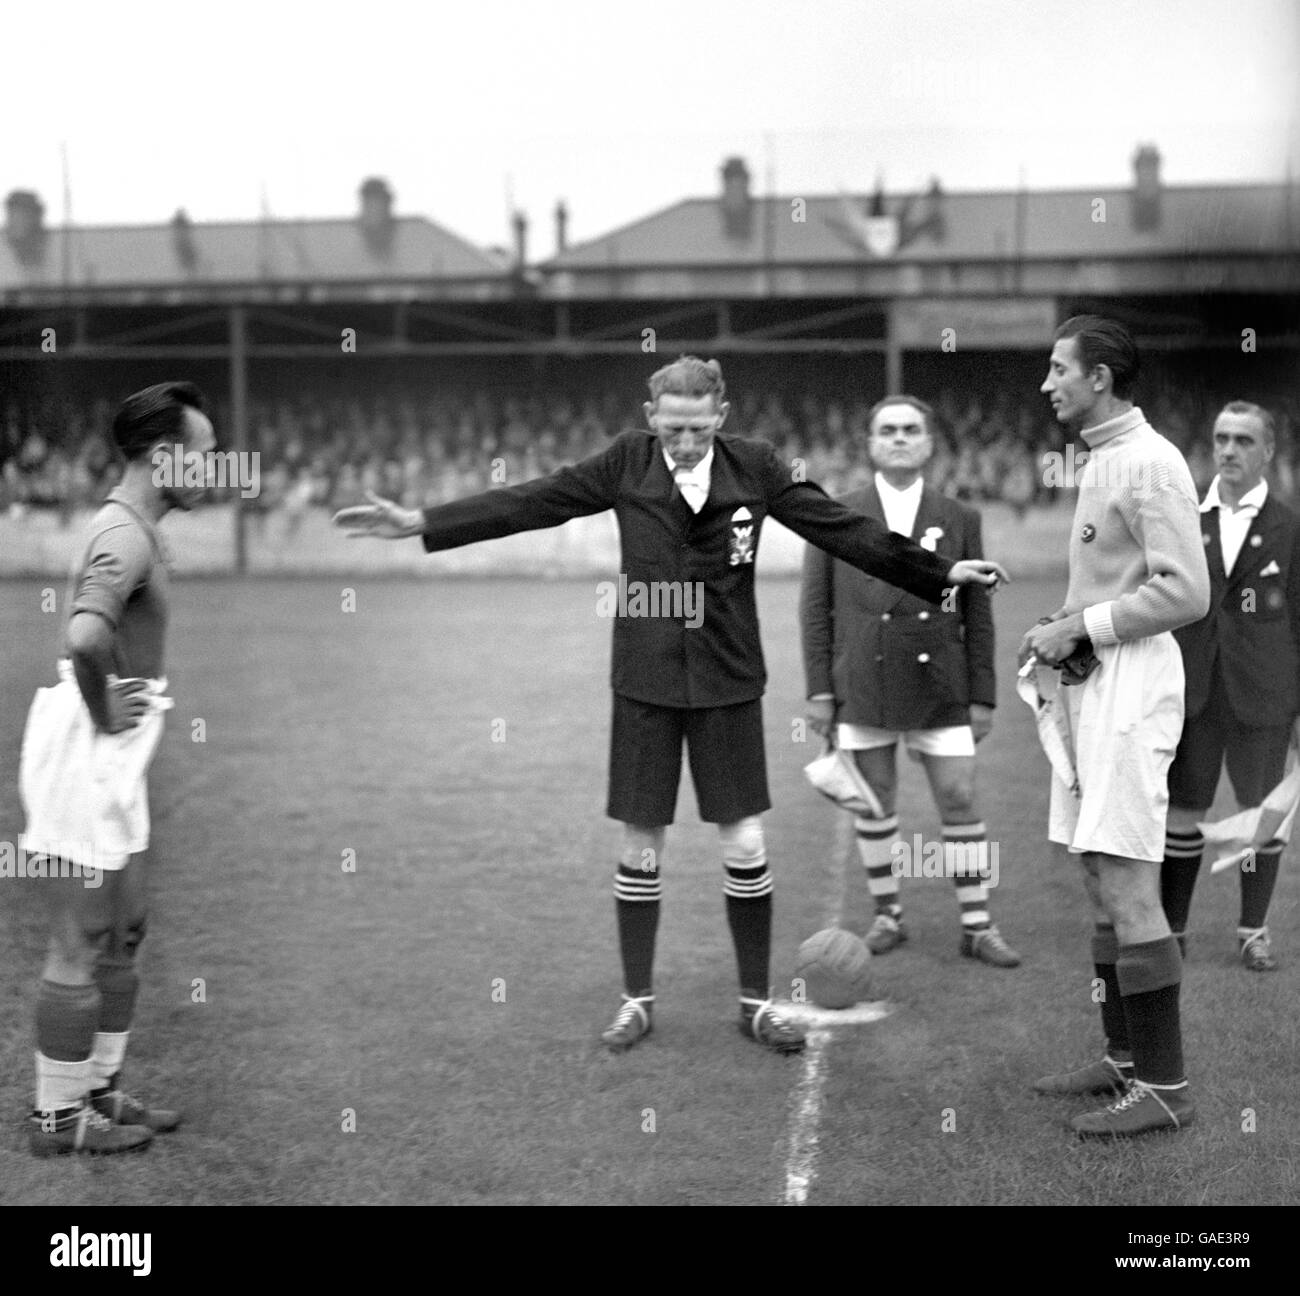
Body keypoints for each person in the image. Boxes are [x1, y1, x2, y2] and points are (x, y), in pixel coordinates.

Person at [334, 356, 1008, 1056]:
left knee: (744, 842)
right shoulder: (626, 462)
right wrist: (423, 522)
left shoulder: (758, 467)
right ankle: (637, 1001)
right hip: (645, 682)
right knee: (640, 845)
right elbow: (532, 501)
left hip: (728, 681)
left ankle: (754, 1004)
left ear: (721, 415)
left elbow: (843, 529)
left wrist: (939, 573)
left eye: (696, 427)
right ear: (651, 416)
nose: (684, 442)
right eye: (671, 428)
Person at [1022, 317, 1210, 1137]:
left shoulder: (1152, 461)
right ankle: (1125, 1060)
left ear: (1100, 377)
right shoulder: (1105, 458)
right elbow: (1117, 580)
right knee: (1100, 876)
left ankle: (1165, 1088)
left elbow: (1187, 592)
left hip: (1133, 684)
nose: (1047, 383)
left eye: (1060, 369)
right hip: (1096, 683)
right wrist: (1063, 622)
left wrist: (1085, 627)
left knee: (1130, 880)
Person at [19, 380, 215, 1155]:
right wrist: (104, 713)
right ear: (166, 456)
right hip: (86, 745)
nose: (215, 471)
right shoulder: (124, 535)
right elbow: (86, 638)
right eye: (206, 458)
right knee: (81, 938)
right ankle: (57, 1122)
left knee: (127, 930)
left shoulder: (139, 527)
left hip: (117, 752)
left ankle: (98, 1093)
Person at [801, 395, 1020, 967]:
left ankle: (977, 925)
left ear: (928, 443)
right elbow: (814, 608)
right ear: (871, 443)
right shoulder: (836, 513)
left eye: (911, 430)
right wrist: (821, 691)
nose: (899, 438)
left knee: (958, 795)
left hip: (940, 683)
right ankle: (888, 916)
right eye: (888, 430)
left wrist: (982, 696)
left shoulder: (959, 518)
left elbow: (979, 613)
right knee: (875, 804)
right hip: (864, 681)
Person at [1162, 401, 1300, 971]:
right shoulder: (1184, 517)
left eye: (1244, 440)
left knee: (1260, 813)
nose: (1228, 450)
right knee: (1182, 814)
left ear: (1267, 451)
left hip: (1264, 696)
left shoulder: (1289, 526)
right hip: (1193, 692)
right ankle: (1172, 932)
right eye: (1221, 438)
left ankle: (1252, 930)